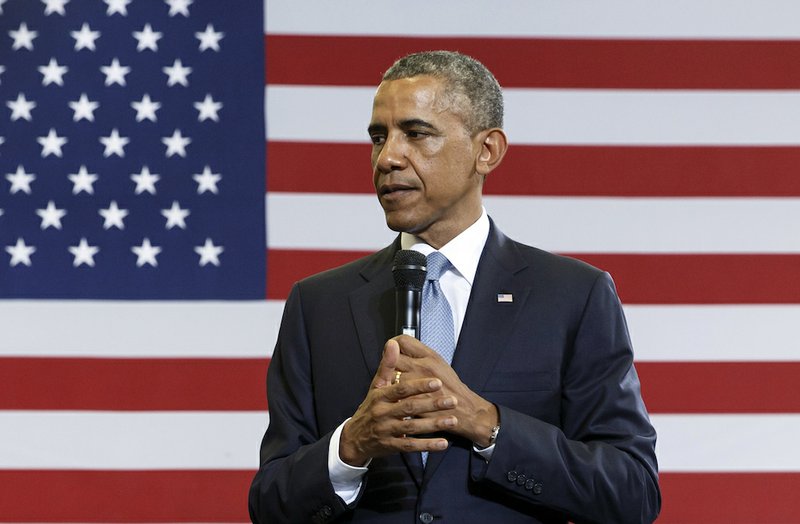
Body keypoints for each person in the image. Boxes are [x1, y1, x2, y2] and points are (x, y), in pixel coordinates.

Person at [249, 50, 660, 523]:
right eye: (379, 138)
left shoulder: (572, 296)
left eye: (416, 134)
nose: (387, 159)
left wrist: (488, 425)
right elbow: (270, 505)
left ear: (486, 151)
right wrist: (350, 446)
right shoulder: (318, 304)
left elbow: (632, 493)